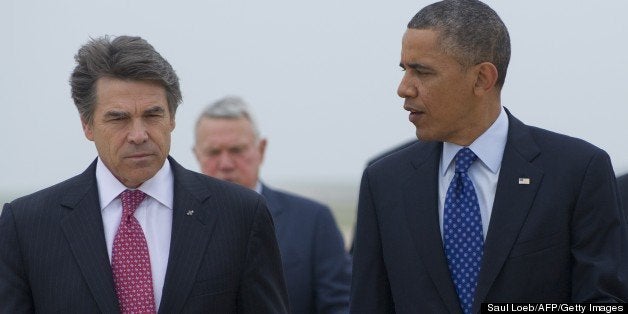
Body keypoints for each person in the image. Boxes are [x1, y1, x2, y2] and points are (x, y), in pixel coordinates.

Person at [350, 1, 628, 313]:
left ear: (483, 78)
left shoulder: (577, 171)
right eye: (404, 70)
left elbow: (605, 303)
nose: (404, 89)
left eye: (422, 72)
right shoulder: (384, 180)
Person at [0, 36, 289, 313]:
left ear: (172, 118)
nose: (139, 135)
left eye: (153, 115)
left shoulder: (240, 215)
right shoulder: (27, 227)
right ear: (87, 125)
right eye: (118, 118)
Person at [193, 96, 351, 314]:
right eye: (213, 152)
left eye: (237, 150)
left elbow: (341, 306)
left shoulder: (313, 222)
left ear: (261, 149)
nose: (226, 164)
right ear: (196, 154)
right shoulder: (178, 222)